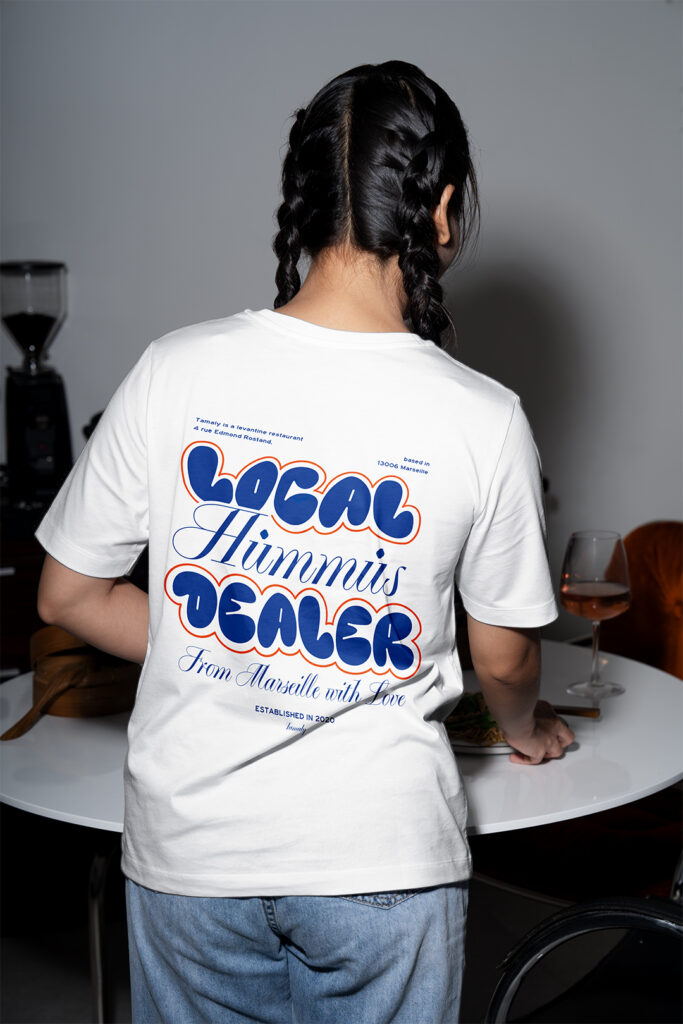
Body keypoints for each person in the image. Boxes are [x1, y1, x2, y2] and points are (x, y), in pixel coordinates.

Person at [35, 60, 574, 1024]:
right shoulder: (482, 416)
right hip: (381, 860)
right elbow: (502, 654)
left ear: (304, 199)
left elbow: (68, 595)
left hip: (187, 860)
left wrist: (230, 640)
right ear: (441, 210)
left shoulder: (172, 369)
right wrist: (528, 728)